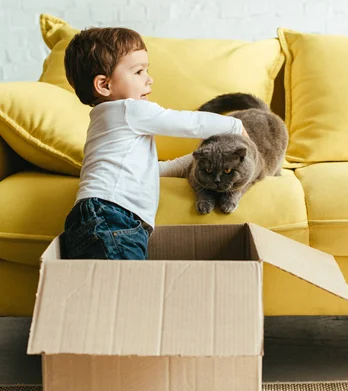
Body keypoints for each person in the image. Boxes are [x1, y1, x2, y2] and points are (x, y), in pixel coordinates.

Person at [60, 26, 247, 260]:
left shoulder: (104, 121)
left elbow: (146, 171)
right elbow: (186, 122)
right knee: (127, 289)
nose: (149, 79)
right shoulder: (130, 109)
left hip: (92, 216)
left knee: (102, 291)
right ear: (104, 85)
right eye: (138, 72)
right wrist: (234, 126)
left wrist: (196, 160)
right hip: (113, 216)